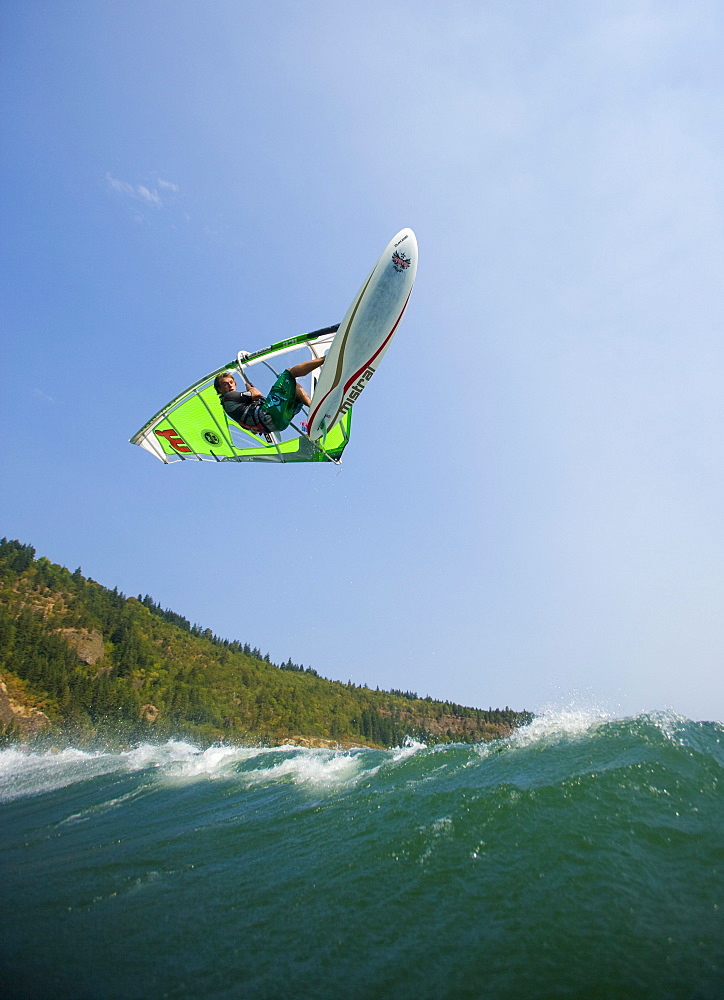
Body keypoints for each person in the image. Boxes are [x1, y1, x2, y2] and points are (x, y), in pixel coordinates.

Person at [214, 357, 324, 435]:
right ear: (219, 389)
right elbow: (257, 394)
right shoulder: (229, 397)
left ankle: (313, 414)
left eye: (231, 382)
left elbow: (253, 430)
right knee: (289, 374)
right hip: (269, 414)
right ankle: (325, 359)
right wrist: (251, 389)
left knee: (294, 389)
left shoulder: (232, 408)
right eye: (225, 384)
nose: (229, 385)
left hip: (278, 426)